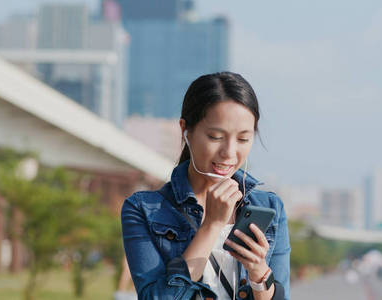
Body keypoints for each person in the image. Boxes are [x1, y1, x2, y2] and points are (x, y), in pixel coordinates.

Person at [121, 72, 291, 300]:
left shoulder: (270, 207)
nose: (229, 153)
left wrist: (258, 272)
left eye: (242, 139)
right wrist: (211, 225)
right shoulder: (144, 209)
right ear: (186, 130)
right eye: (215, 136)